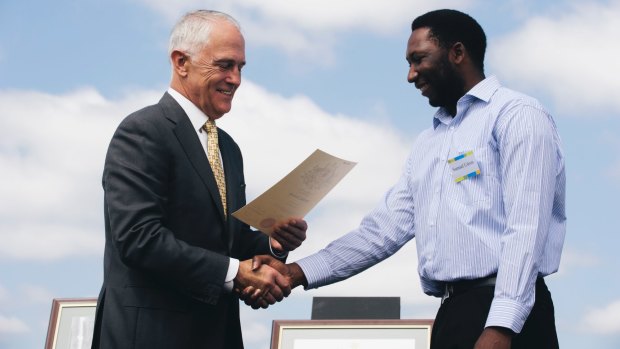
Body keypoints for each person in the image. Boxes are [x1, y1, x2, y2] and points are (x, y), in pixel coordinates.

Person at [249, 9, 565, 349]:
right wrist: (294, 273)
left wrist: (502, 326)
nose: (411, 75)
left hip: (509, 315)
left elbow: (527, 226)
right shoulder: (428, 145)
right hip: (452, 315)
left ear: (457, 53)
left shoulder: (518, 115)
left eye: (419, 59)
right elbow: (379, 233)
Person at [90, 10, 307, 349]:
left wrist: (272, 244)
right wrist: (237, 273)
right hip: (151, 337)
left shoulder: (228, 149)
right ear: (181, 62)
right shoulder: (142, 132)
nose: (235, 79)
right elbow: (139, 238)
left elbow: (227, 243)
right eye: (224, 65)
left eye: (240, 68)